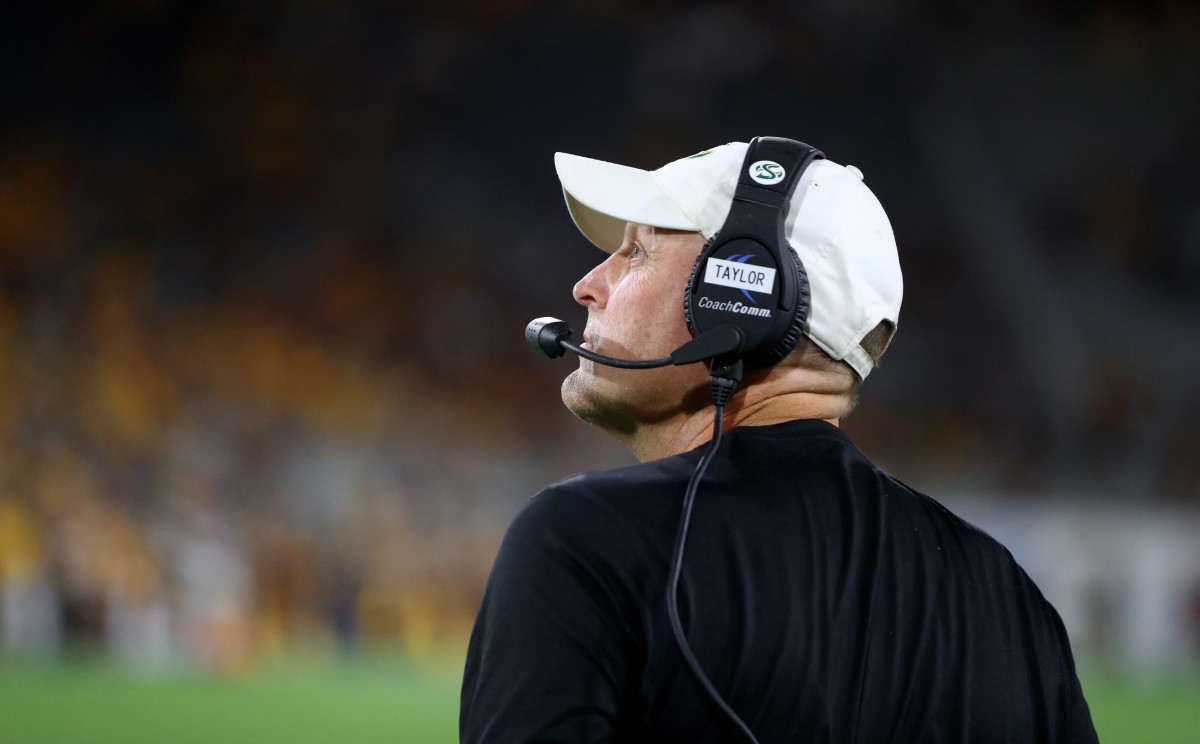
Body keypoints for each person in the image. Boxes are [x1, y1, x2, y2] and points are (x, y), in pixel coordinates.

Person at [460, 139, 1098, 743]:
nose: (587, 285)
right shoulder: (1013, 602)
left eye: (639, 252)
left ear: (741, 298)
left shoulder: (585, 539)